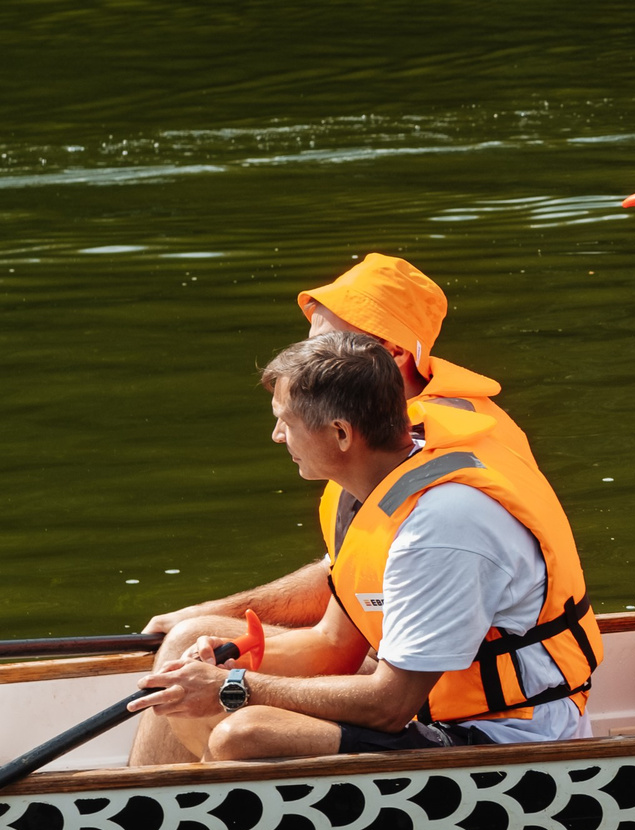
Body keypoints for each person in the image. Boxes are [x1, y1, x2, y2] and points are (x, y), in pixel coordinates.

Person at [129, 255, 535, 763]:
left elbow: (390, 699)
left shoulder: (441, 506)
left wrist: (230, 687)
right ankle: (166, 820)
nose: (276, 435)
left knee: (244, 731)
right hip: (423, 683)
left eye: (322, 346)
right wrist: (214, 637)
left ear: (384, 358)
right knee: (194, 650)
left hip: (488, 730)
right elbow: (340, 616)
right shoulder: (376, 466)